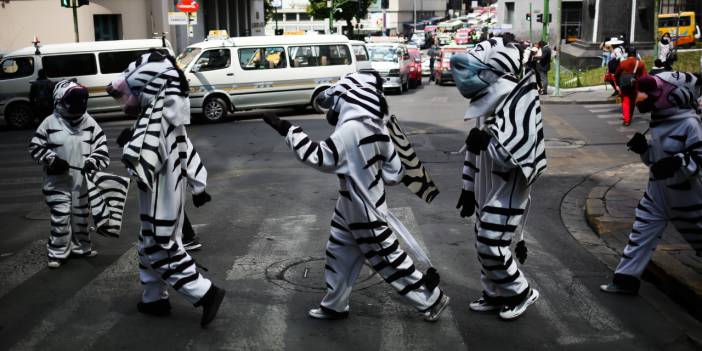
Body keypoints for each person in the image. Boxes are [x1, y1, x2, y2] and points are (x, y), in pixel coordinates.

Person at [261, 71, 450, 322]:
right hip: (356, 203)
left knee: (387, 260)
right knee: (339, 253)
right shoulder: (376, 125)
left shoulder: (352, 128)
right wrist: (367, 170)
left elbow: (320, 157)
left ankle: (432, 299)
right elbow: (394, 174)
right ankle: (335, 304)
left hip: (362, 209)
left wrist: (288, 130)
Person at [108, 50, 225, 327]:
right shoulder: (169, 119)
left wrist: (127, 146)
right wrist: (199, 186)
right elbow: (187, 152)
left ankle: (206, 293)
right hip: (167, 195)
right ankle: (154, 299)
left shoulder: (155, 122)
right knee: (147, 245)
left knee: (162, 249)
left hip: (161, 198)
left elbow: (143, 163)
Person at [451, 35, 547, 321]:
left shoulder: (517, 103)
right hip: (484, 186)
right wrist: (468, 188)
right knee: (481, 239)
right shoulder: (486, 102)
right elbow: (473, 150)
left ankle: (520, 292)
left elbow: (515, 155)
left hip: (508, 188)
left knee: (491, 242)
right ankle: (494, 292)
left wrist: (487, 142)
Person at [601, 71, 702, 295]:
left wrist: (677, 164)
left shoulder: (690, 124)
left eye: (652, 91)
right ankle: (625, 280)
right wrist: (644, 150)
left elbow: (698, 158)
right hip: (657, 192)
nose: (643, 96)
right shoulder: (658, 122)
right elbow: (654, 161)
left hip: (685, 194)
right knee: (641, 234)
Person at [28, 79, 109, 268]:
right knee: (61, 216)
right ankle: (57, 252)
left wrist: (93, 161)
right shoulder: (50, 122)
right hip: (57, 182)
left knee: (81, 215)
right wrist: (51, 159)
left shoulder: (89, 121)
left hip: (81, 182)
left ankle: (81, 246)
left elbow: (101, 146)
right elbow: (35, 146)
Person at [615, 46, 647, 126]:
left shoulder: (623, 63)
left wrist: (617, 85)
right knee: (632, 101)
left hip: (624, 85)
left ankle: (627, 120)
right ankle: (630, 117)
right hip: (635, 85)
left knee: (625, 101)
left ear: (627, 54)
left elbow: (616, 74)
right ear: (635, 53)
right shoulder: (640, 64)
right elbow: (644, 76)